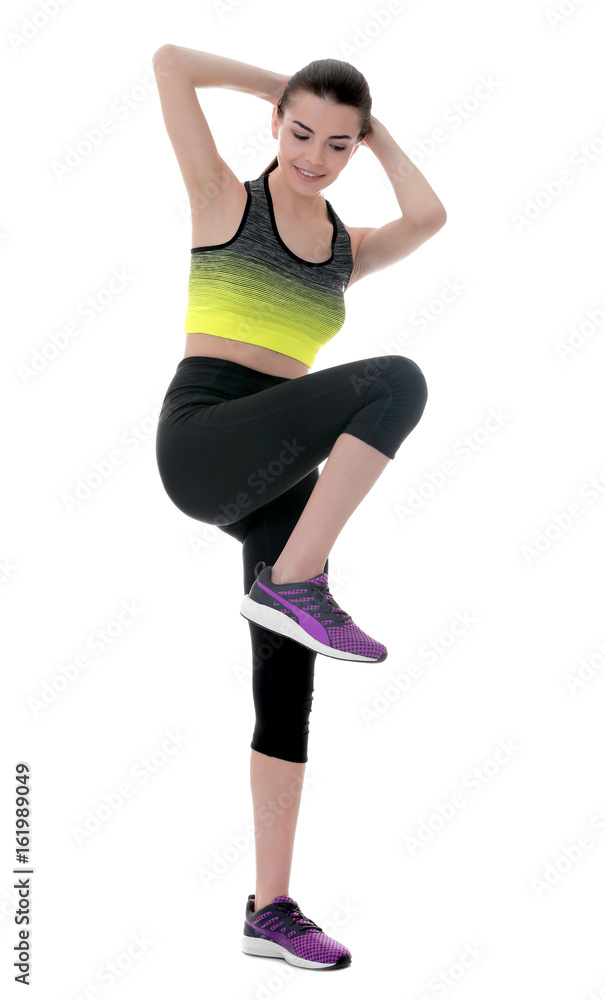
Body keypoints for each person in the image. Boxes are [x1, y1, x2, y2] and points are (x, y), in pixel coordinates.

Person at [152, 43, 446, 970]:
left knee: (287, 684)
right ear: (276, 124)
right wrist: (270, 82)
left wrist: (382, 132)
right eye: (300, 131)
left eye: (339, 143)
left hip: (276, 469)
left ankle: (269, 909)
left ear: (358, 148)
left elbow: (430, 216)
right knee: (394, 380)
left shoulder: (345, 252)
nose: (316, 154)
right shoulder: (221, 201)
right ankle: (297, 579)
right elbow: (167, 62)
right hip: (205, 436)